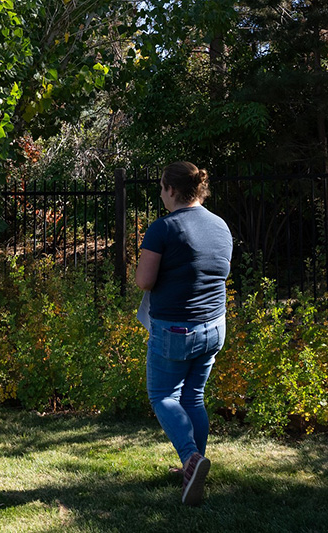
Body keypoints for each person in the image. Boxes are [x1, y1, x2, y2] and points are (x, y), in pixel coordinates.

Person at [135, 162, 232, 506]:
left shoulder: (163, 229)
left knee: (163, 395)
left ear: (172, 190)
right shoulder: (220, 226)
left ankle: (191, 457)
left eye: (162, 188)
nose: (161, 194)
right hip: (214, 325)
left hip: (177, 328)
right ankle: (194, 467)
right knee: (193, 396)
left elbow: (144, 281)